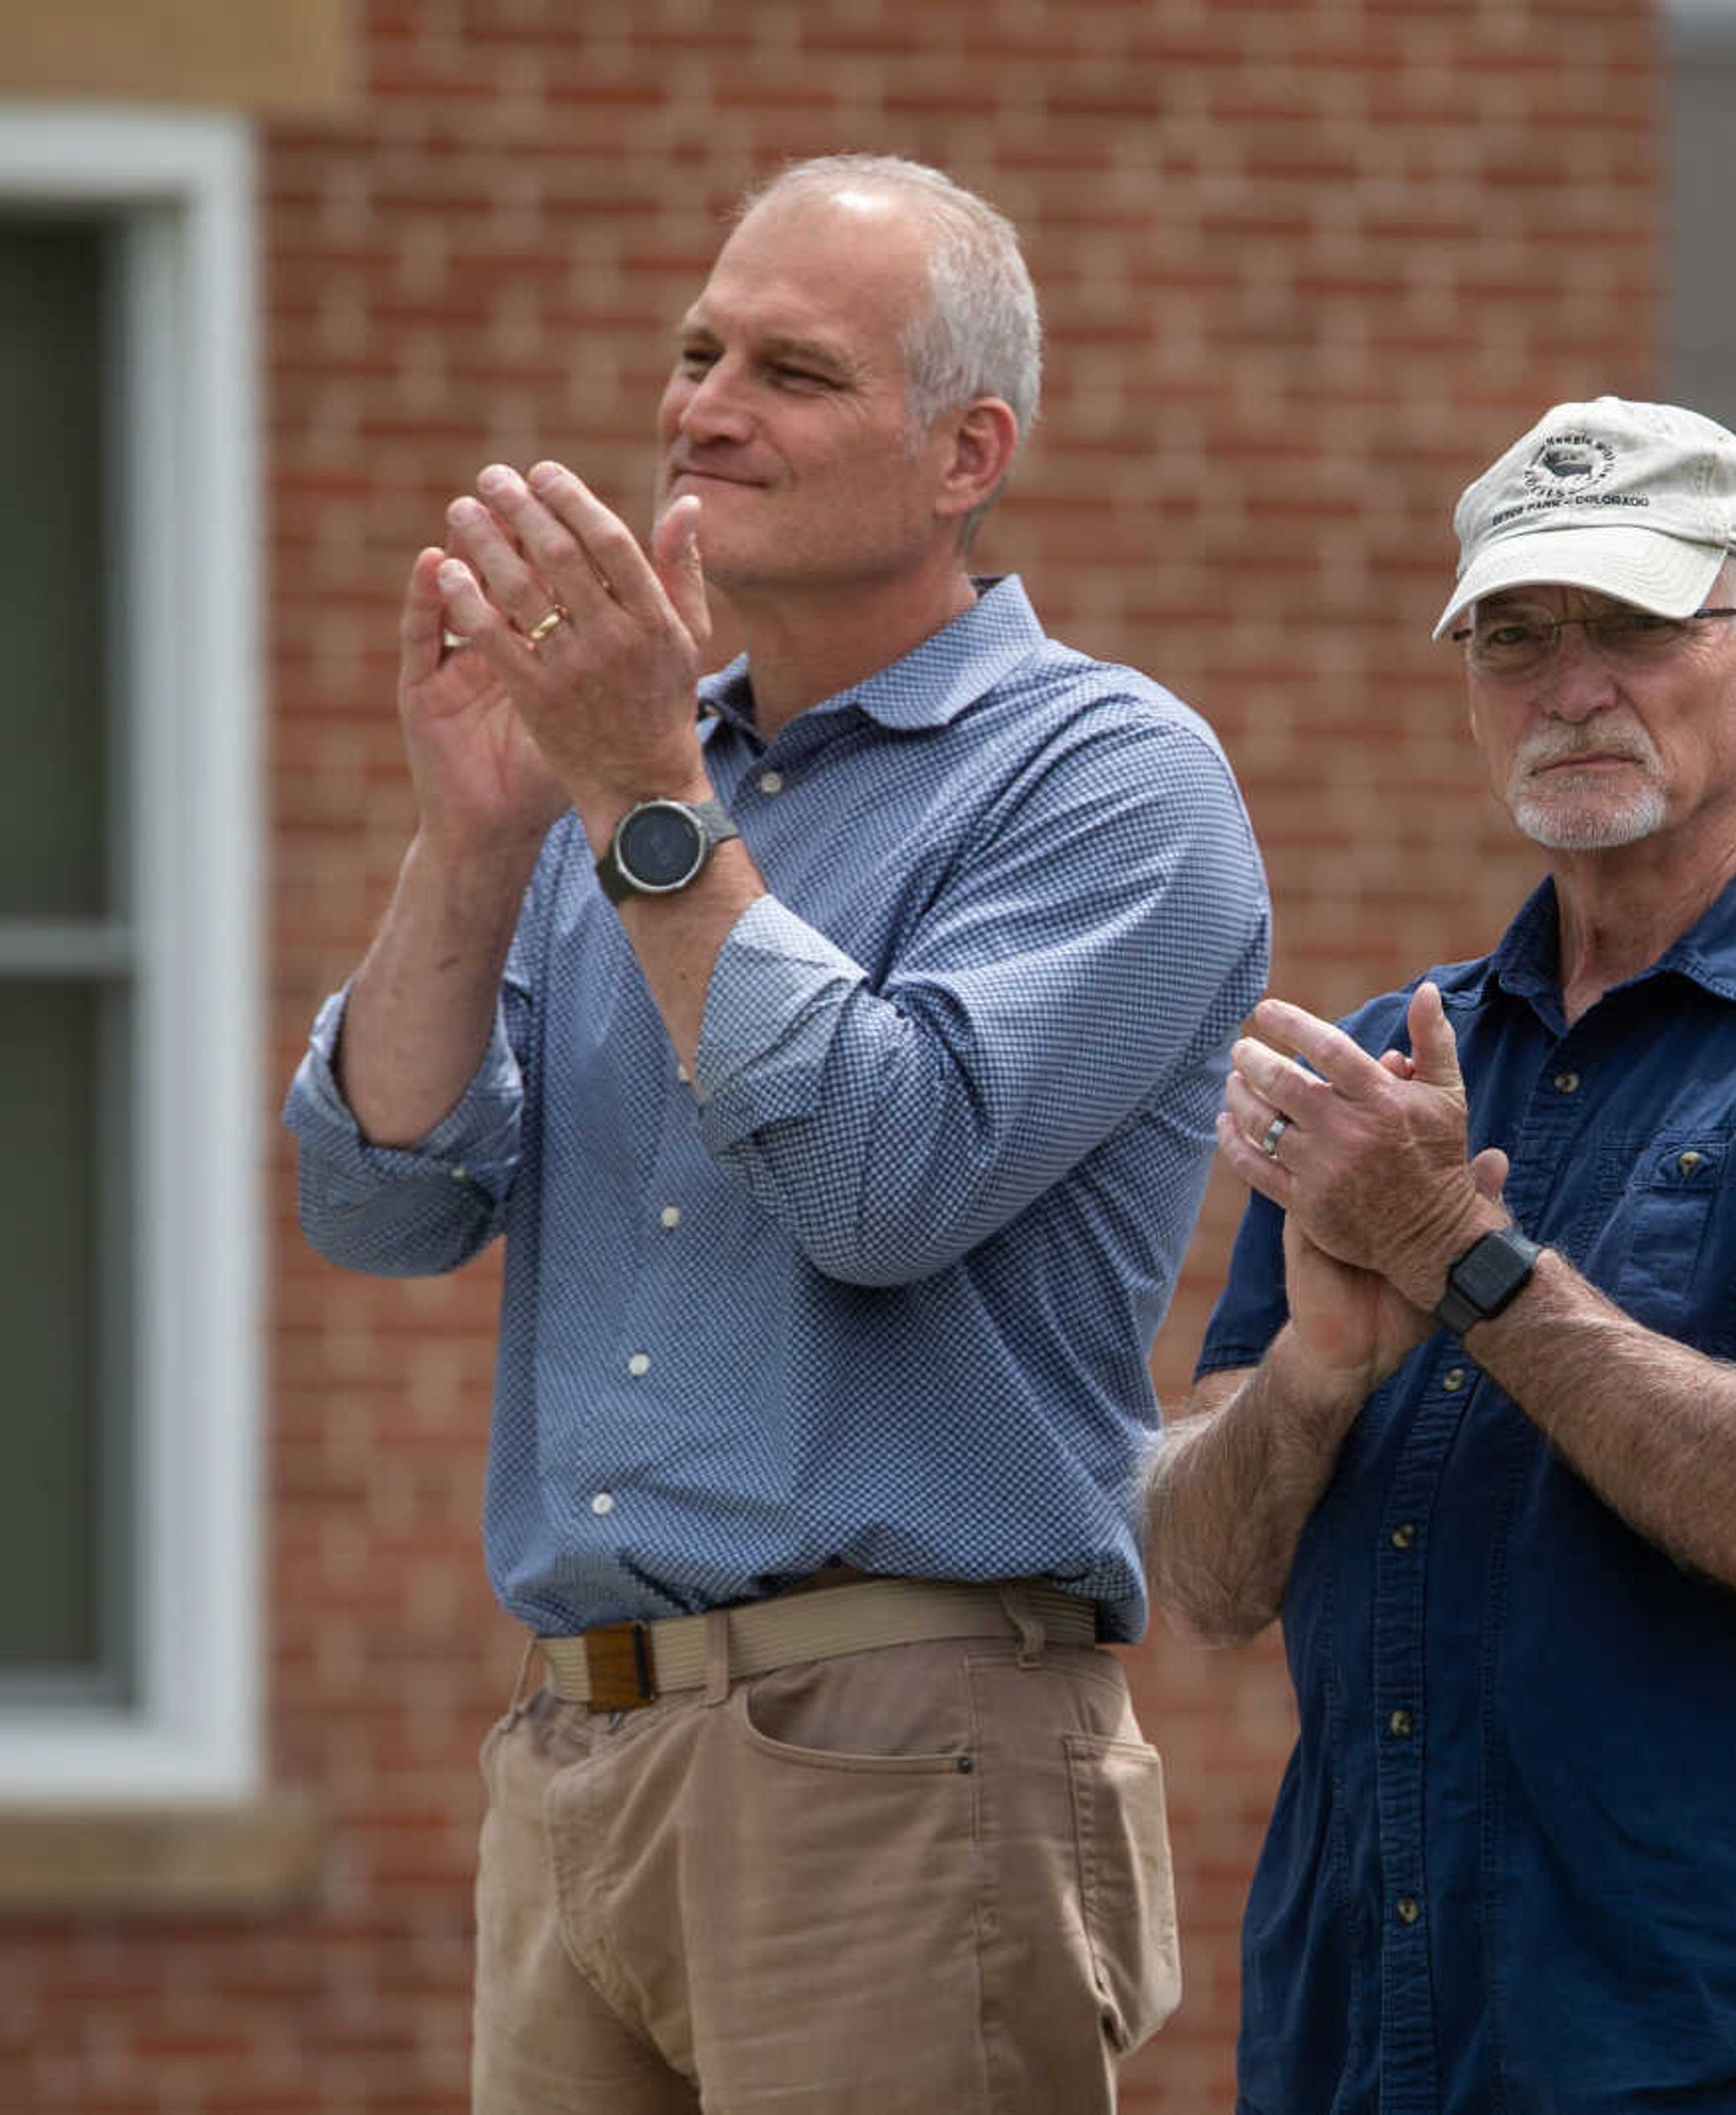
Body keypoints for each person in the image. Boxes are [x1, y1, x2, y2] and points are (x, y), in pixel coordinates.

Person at [282, 155, 1268, 2111]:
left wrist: (643, 793)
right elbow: (377, 1199)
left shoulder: (1111, 779)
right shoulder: (632, 791)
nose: (703, 404)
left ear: (965, 450)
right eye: (695, 350)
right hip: (575, 1758)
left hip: (901, 1756)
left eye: (793, 373)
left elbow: (880, 1182)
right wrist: (480, 837)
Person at [1141, 396, 1736, 2114]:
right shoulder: (1388, 1068)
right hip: (1363, 2043)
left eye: (1633, 625)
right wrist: (1324, 1370)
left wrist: (1457, 1254)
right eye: (1515, 638)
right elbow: (1198, 1579)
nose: (1569, 686)